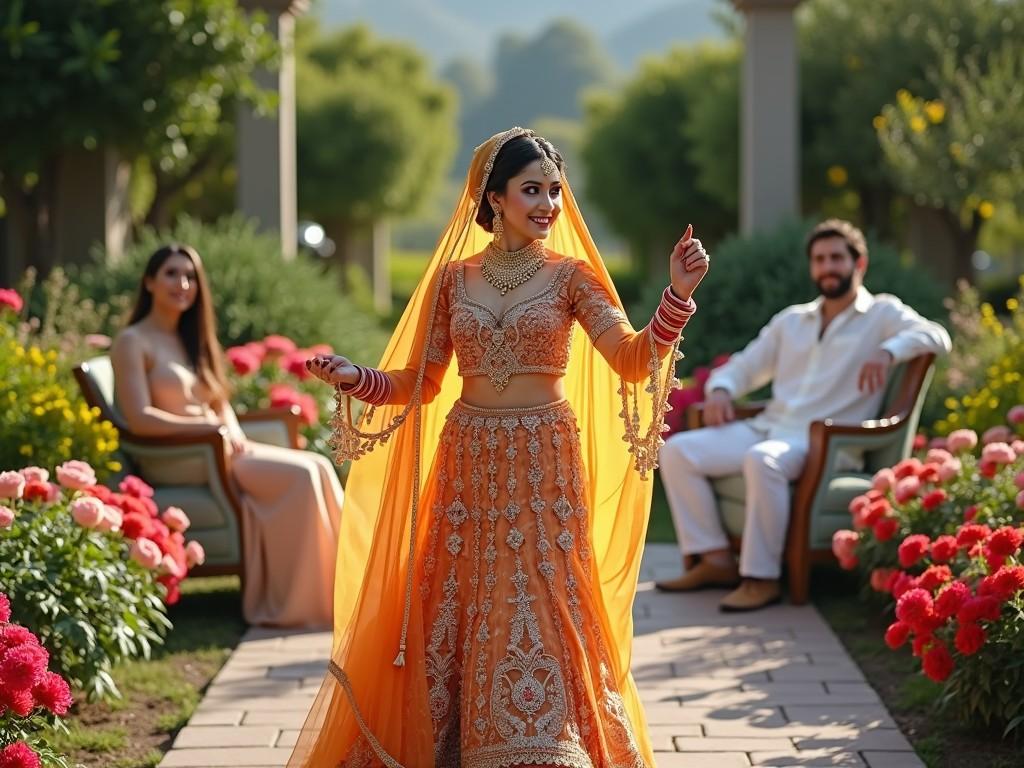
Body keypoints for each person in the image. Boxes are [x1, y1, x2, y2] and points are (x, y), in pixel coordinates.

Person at [288, 128, 710, 767]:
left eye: (555, 191)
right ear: (494, 196)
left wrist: (677, 296)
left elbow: (629, 360)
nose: (547, 204)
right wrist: (357, 379)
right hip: (470, 463)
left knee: (543, 598)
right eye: (532, 189)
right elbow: (420, 383)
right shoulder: (456, 280)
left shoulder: (571, 277)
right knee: (460, 598)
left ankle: (549, 745)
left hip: (544, 458)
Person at [656, 218, 952, 612]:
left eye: (836, 258)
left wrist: (888, 351)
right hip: (769, 427)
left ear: (858, 264)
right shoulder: (792, 320)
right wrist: (722, 390)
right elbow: (745, 365)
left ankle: (761, 579)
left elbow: (938, 336)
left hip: (823, 442)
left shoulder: (882, 314)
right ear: (811, 267)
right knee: (677, 450)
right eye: (819, 259)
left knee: (762, 461)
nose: (828, 267)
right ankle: (715, 560)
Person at [110, 244, 342, 628]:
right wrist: (211, 431)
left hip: (222, 451)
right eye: (171, 274)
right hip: (182, 457)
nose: (182, 284)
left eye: (190, 277)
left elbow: (220, 406)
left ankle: (342, 591)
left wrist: (233, 434)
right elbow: (140, 419)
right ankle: (302, 607)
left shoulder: (191, 339)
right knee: (302, 477)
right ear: (149, 281)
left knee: (317, 465)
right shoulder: (132, 341)